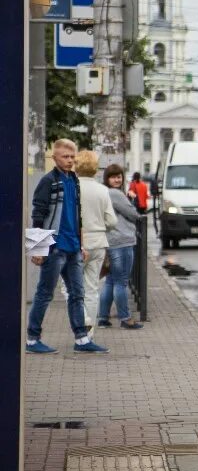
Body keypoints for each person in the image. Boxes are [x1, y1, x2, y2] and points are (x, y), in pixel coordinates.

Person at [27, 139, 108, 354]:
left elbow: (77, 216)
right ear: (55, 158)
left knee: (77, 294)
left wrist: (81, 244)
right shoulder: (48, 181)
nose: (70, 160)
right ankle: (32, 340)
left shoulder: (74, 180)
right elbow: (38, 214)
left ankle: (82, 339)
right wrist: (37, 249)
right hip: (54, 247)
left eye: (72, 157)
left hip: (73, 248)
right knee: (45, 293)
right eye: (65, 156)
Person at [74, 150, 117, 334]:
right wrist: (101, 226)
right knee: (92, 289)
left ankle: (83, 319)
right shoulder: (103, 190)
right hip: (99, 243)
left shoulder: (72, 187)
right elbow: (112, 221)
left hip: (77, 243)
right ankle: (89, 334)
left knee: (69, 288)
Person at [98, 164, 144, 330]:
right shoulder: (115, 193)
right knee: (121, 282)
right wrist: (132, 200)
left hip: (111, 240)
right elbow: (133, 214)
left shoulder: (104, 193)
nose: (117, 179)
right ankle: (125, 318)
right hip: (122, 240)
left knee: (110, 281)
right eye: (113, 177)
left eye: (119, 176)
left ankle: (103, 318)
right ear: (107, 179)